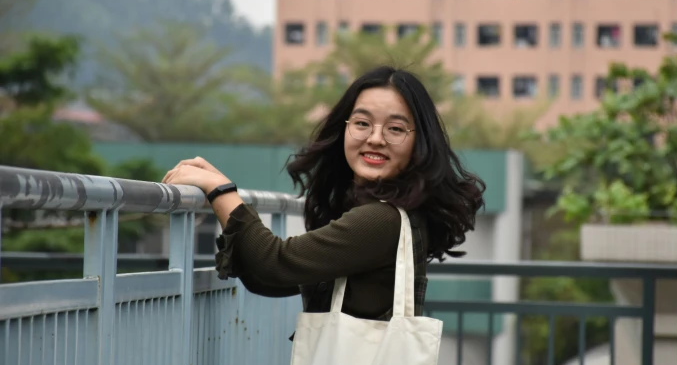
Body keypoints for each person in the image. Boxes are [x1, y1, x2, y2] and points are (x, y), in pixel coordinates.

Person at [162, 66, 485, 324]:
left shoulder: (380, 219)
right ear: (343, 129)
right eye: (362, 123)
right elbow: (269, 281)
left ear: (419, 143)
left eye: (396, 129)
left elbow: (274, 264)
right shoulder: (379, 212)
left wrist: (220, 191)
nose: (375, 138)